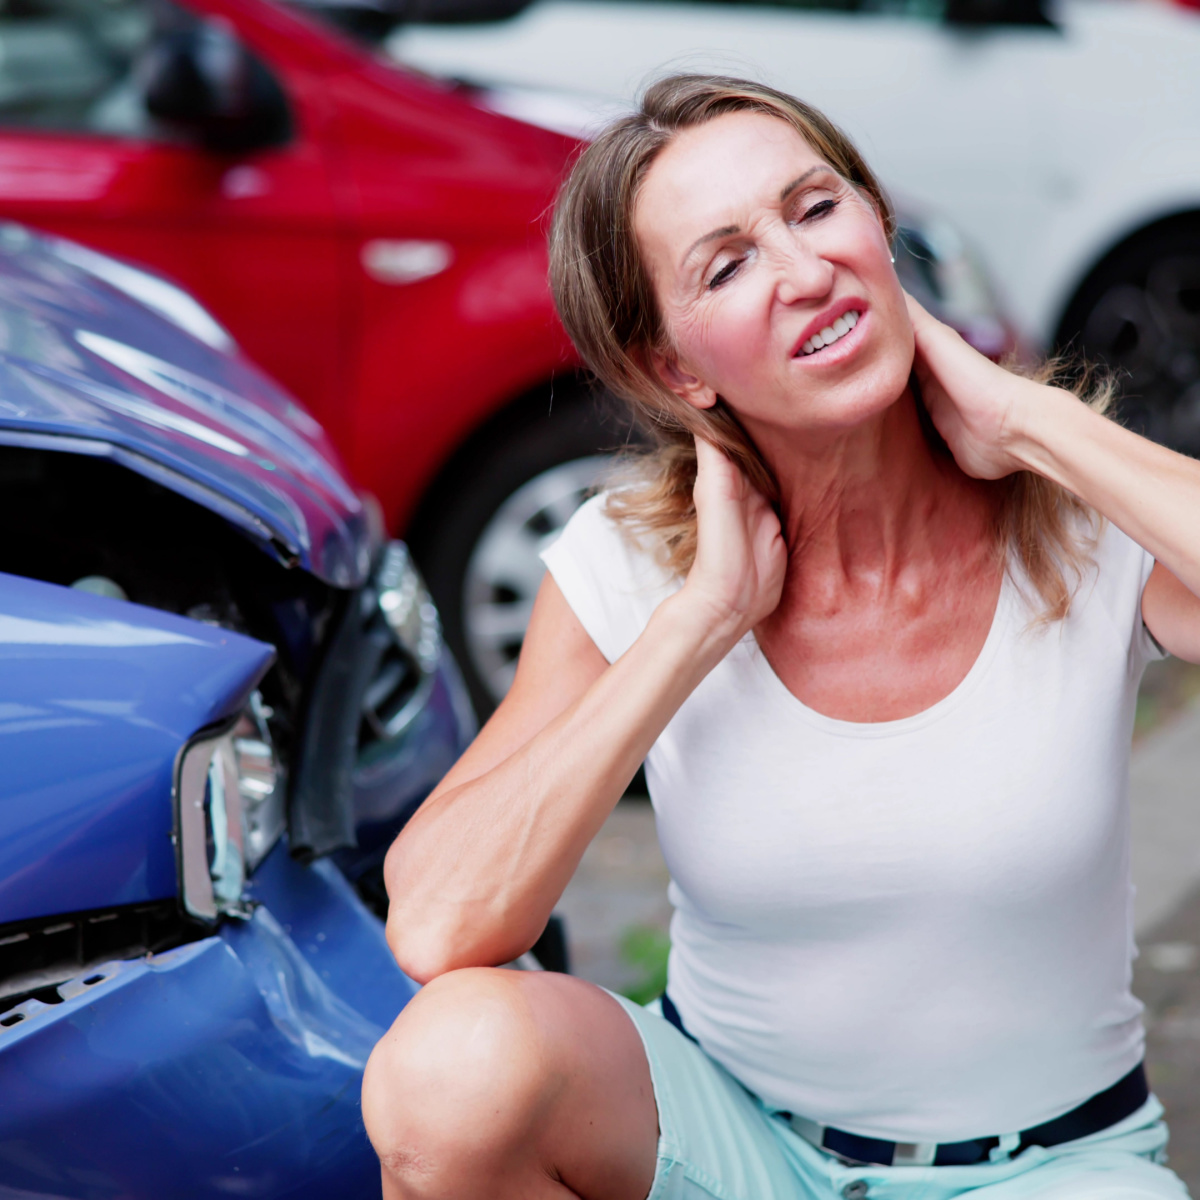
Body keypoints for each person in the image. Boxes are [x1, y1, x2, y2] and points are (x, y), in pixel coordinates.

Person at [361, 75, 1200, 1199]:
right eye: (728, 263)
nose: (805, 273)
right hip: (734, 1147)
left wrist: (1027, 419)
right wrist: (698, 622)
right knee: (449, 1071)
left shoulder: (1079, 514)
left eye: (815, 209)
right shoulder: (633, 562)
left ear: (878, 227)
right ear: (678, 371)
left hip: (1048, 1168)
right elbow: (438, 923)